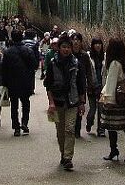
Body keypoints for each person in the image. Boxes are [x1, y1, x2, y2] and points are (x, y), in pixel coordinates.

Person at [44, 33, 86, 171]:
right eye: (64, 47)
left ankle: (68, 157)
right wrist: (51, 103)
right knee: (60, 132)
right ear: (59, 48)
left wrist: (82, 102)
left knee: (69, 129)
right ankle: (63, 153)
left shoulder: (76, 63)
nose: (66, 49)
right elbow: (48, 84)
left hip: (72, 101)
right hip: (58, 102)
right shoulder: (52, 64)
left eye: (68, 47)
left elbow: (81, 84)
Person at [2, 28, 36, 136]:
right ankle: (25, 122)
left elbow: (4, 69)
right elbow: (34, 65)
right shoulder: (28, 51)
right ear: (22, 37)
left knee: (14, 105)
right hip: (26, 82)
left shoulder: (7, 52)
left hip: (12, 83)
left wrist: (4, 83)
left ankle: (16, 127)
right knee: (25, 103)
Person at [71, 33, 95, 139]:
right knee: (71, 107)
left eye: (78, 40)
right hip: (70, 86)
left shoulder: (84, 55)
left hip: (81, 85)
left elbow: (89, 72)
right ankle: (70, 129)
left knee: (80, 107)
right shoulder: (68, 53)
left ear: (81, 42)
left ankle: (77, 130)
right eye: (74, 40)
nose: (76, 42)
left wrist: (90, 85)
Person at [87, 37, 106, 136]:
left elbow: (106, 71)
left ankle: (101, 130)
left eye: (99, 44)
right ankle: (89, 122)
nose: (98, 45)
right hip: (91, 86)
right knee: (92, 109)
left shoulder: (105, 57)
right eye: (96, 44)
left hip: (102, 87)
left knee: (101, 109)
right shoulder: (88, 56)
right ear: (93, 45)